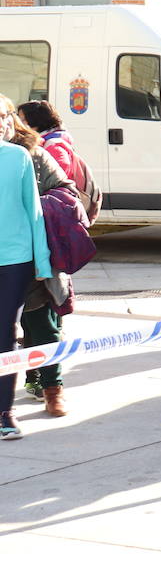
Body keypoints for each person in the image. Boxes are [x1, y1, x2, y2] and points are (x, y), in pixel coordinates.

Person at [3, 99, 75, 417]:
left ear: (14, 121)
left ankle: (52, 389)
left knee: (42, 326)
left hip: (32, 256)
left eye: (4, 116)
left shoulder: (32, 153)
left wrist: (30, 203)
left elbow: (66, 191)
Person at [0, 126, 51, 440]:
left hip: (15, 260)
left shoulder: (18, 156)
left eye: (2, 116)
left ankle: (4, 411)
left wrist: (42, 260)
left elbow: (34, 211)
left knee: (5, 333)